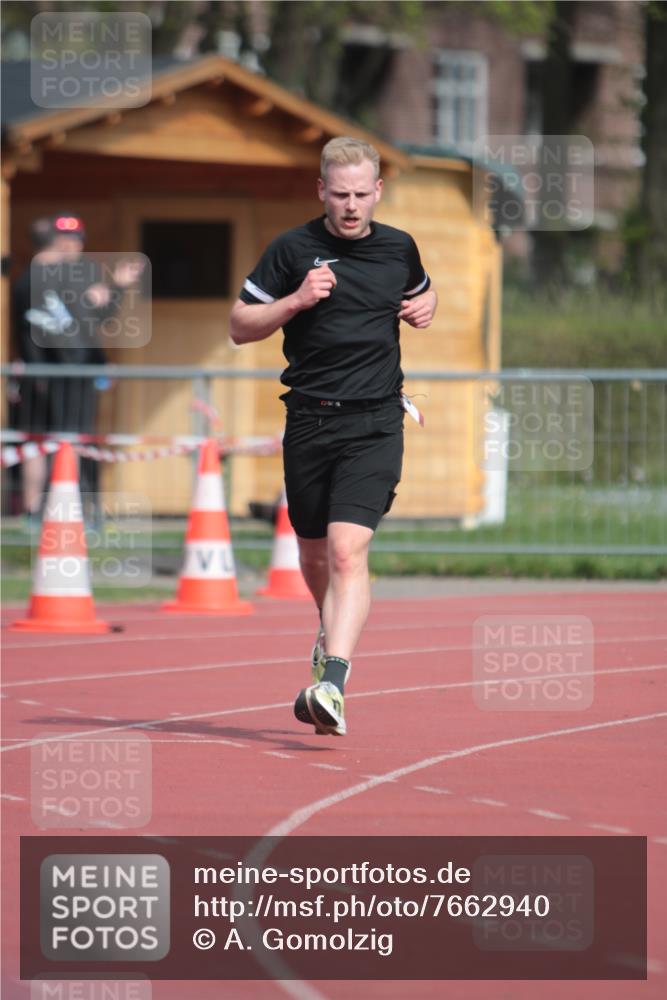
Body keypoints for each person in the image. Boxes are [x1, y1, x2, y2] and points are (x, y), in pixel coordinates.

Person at [230, 136, 437, 736]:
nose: (350, 206)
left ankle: (333, 681)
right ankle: (328, 633)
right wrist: (295, 300)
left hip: (374, 421)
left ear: (378, 192)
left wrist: (427, 308)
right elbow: (240, 325)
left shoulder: (399, 248)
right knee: (315, 551)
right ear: (322, 190)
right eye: (339, 194)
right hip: (309, 419)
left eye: (361, 194)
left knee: (348, 550)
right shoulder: (292, 249)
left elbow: (422, 293)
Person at [12, 213, 143, 514]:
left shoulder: (36, 280)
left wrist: (112, 291)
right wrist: (97, 361)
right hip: (65, 375)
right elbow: (75, 332)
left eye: (77, 241)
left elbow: (89, 320)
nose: (74, 248)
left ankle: (42, 511)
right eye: (68, 242)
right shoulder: (43, 281)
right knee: (69, 443)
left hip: (46, 374)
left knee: (41, 443)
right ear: (56, 244)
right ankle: (68, 510)